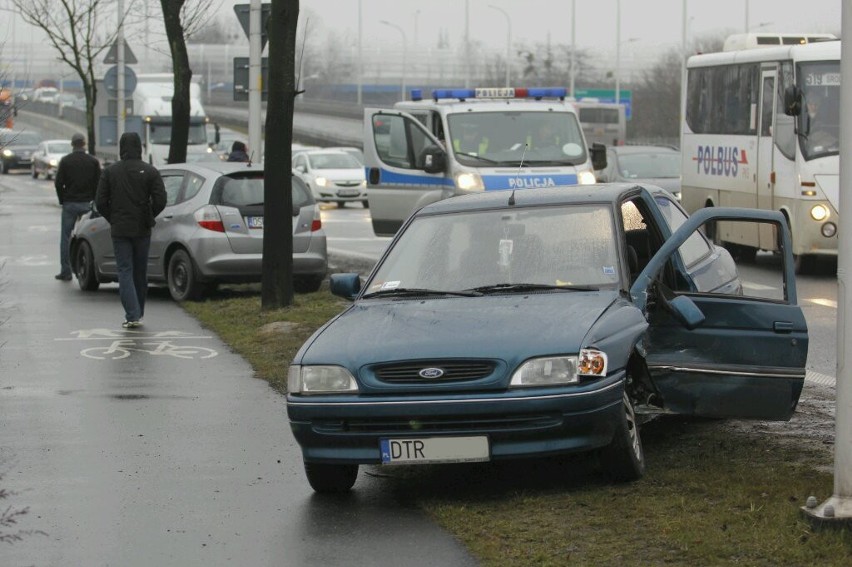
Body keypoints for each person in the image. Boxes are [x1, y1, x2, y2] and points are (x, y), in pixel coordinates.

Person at [95, 132, 167, 328]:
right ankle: (139, 311)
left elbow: (100, 202)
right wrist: (149, 214)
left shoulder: (110, 172)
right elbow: (161, 199)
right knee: (140, 271)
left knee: (124, 270)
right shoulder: (150, 171)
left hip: (120, 229)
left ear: (121, 148)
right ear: (140, 148)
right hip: (142, 228)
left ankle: (132, 314)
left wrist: (113, 218)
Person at [54, 132, 101, 281]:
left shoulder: (66, 161)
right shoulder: (92, 162)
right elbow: (99, 184)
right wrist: (95, 201)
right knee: (89, 236)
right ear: (84, 144)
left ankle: (66, 271)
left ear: (72, 144)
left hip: (70, 203)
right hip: (88, 203)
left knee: (66, 237)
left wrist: (63, 199)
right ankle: (87, 268)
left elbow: (58, 182)